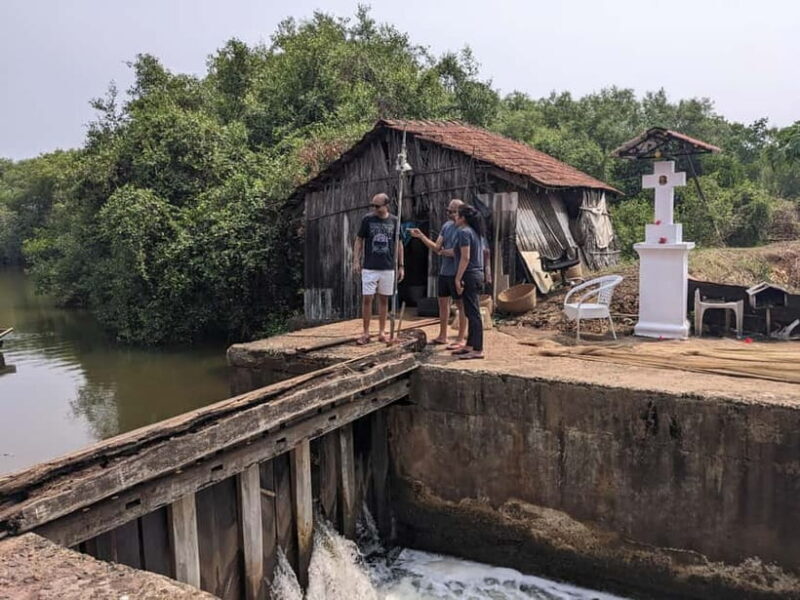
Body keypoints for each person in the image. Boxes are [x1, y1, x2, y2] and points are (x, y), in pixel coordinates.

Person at [409, 199, 467, 349]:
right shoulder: (446, 226)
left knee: (461, 305)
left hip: (457, 272)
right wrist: (422, 236)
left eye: (452, 212)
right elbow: (437, 247)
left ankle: (461, 337)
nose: (449, 214)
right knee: (442, 303)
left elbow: (462, 253)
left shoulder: (465, 229)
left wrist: (447, 252)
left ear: (460, 212)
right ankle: (443, 335)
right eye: (448, 211)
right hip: (445, 271)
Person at [353, 192, 404, 344]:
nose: (375, 209)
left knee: (384, 299)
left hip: (387, 266)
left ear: (386, 205)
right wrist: (356, 260)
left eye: (377, 206)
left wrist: (401, 265)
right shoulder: (367, 219)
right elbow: (359, 239)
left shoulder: (394, 221)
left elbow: (399, 243)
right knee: (367, 298)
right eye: (373, 206)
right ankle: (366, 332)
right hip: (370, 266)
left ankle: (382, 332)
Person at [452, 205, 486, 360]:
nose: (455, 217)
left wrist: (458, 278)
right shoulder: (474, 232)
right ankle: (470, 345)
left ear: (463, 218)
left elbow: (465, 257)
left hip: (469, 275)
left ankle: (478, 349)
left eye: (457, 215)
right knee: (470, 311)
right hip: (476, 274)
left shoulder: (464, 232)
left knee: (473, 313)